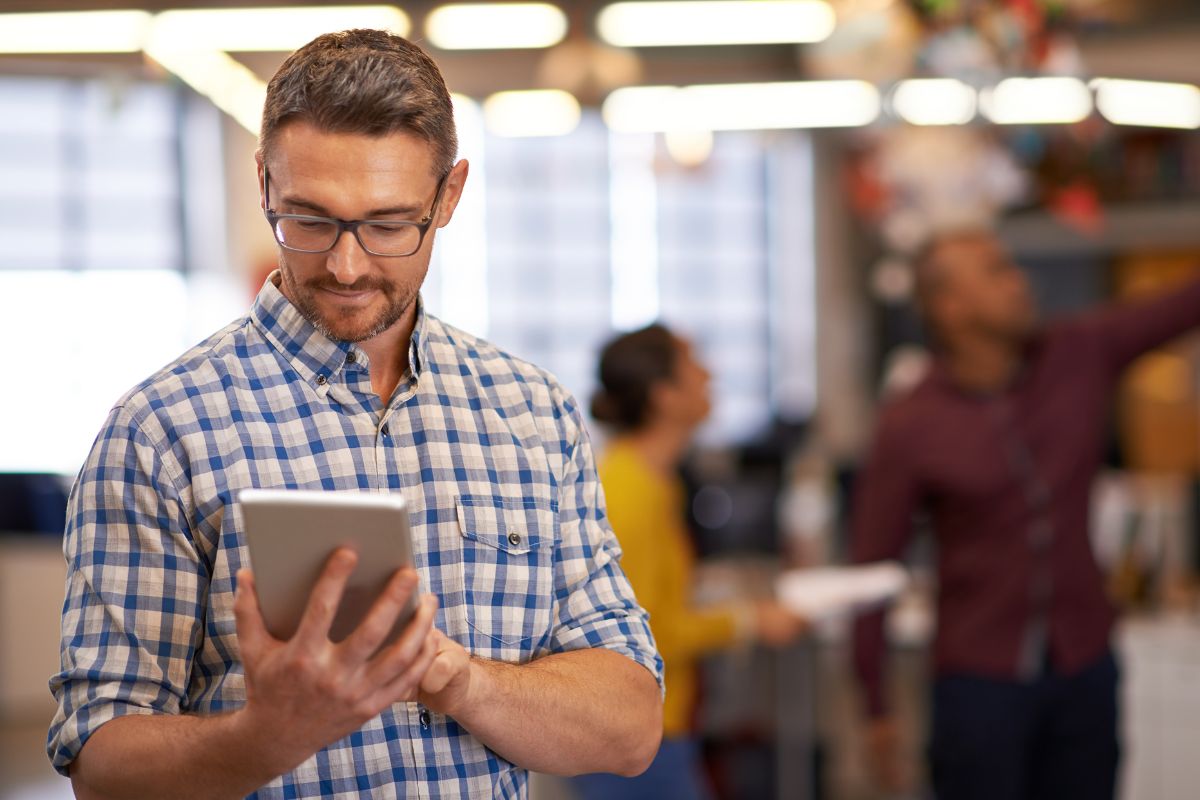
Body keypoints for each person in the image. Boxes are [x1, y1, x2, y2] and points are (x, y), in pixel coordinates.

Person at [48, 29, 663, 800]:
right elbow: (102, 768)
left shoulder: (532, 415)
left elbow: (631, 727)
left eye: (387, 224)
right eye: (309, 219)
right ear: (264, 182)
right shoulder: (160, 431)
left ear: (450, 195)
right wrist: (267, 735)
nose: (346, 265)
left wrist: (453, 677)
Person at [851, 229, 1200, 799]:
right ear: (949, 305)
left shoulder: (1078, 353)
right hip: (978, 681)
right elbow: (873, 568)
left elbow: (1179, 306)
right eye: (996, 272)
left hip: (1084, 663)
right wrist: (875, 704)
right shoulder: (911, 423)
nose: (1019, 283)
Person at [572, 324, 806, 800]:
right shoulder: (629, 493)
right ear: (664, 396)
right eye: (693, 365)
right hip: (634, 733)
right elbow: (645, 635)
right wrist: (748, 620)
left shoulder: (654, 482)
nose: (709, 374)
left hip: (659, 723)